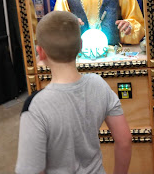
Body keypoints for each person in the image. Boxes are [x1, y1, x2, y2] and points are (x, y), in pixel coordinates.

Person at [15, 11, 132, 174]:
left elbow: (31, 170)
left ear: (40, 53)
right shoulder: (99, 84)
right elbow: (124, 140)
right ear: (81, 46)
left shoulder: (35, 107)